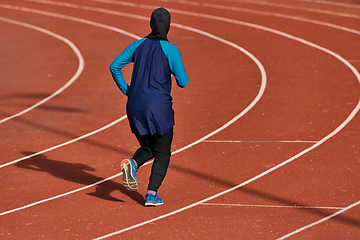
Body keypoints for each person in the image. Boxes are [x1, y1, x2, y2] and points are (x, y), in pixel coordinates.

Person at [109, 7, 189, 206]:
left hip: (134, 107)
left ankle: (133, 163)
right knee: (162, 151)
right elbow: (183, 81)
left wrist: (127, 90)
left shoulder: (136, 45)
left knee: (148, 146)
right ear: (168, 26)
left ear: (151, 24)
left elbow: (115, 66)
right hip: (159, 109)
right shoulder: (171, 50)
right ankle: (152, 194)